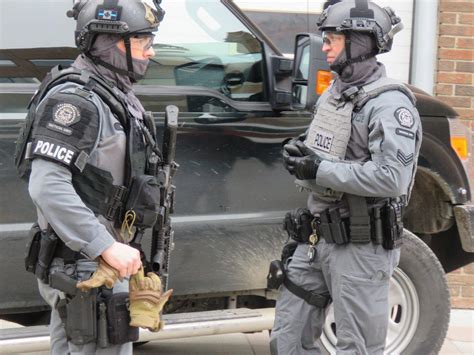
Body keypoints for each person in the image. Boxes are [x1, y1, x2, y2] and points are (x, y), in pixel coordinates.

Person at [16, 0, 172, 354]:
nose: (151, 49)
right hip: (87, 267)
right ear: (108, 42)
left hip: (96, 263)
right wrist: (105, 246)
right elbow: (47, 185)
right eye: (142, 40)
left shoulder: (113, 93)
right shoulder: (77, 101)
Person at [270, 0, 422, 354]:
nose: (324, 46)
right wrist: (301, 153)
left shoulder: (389, 105)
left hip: (360, 246)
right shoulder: (335, 92)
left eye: (332, 39)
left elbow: (391, 178)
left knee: (358, 348)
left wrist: (318, 169)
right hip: (315, 237)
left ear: (360, 42)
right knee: (288, 340)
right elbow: (332, 149)